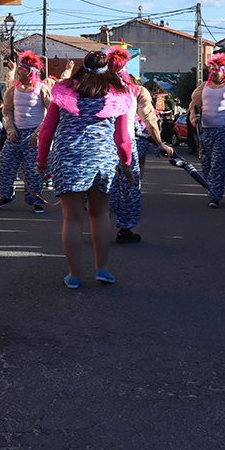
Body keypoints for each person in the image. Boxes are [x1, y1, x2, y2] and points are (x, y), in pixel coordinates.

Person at [36, 49, 136, 288]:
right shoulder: (117, 94)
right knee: (100, 214)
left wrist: (41, 159)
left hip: (68, 157)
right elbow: (123, 137)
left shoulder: (64, 91)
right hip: (103, 159)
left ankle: (74, 275)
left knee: (72, 218)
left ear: (83, 66)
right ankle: (103, 269)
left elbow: (47, 129)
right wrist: (127, 164)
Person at [110, 80, 172, 243]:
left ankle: (120, 229)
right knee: (112, 187)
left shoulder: (136, 91)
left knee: (126, 186)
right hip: (108, 144)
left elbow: (149, 119)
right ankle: (109, 229)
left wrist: (159, 143)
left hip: (122, 143)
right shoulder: (98, 86)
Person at [189, 53, 225, 207]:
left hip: (223, 130)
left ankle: (214, 196)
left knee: (217, 164)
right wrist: (194, 118)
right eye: (212, 70)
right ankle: (211, 188)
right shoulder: (204, 86)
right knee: (206, 163)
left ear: (224, 72)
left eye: (217, 70)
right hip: (205, 131)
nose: (214, 72)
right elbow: (194, 104)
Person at [0, 51, 52, 213]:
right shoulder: (13, 89)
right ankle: (6, 195)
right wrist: (10, 129)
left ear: (29, 72)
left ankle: (35, 199)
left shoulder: (42, 88)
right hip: (15, 133)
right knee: (5, 164)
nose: (18, 71)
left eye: (20, 69)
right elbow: (7, 111)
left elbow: (51, 114)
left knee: (33, 170)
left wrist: (38, 133)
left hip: (34, 135)